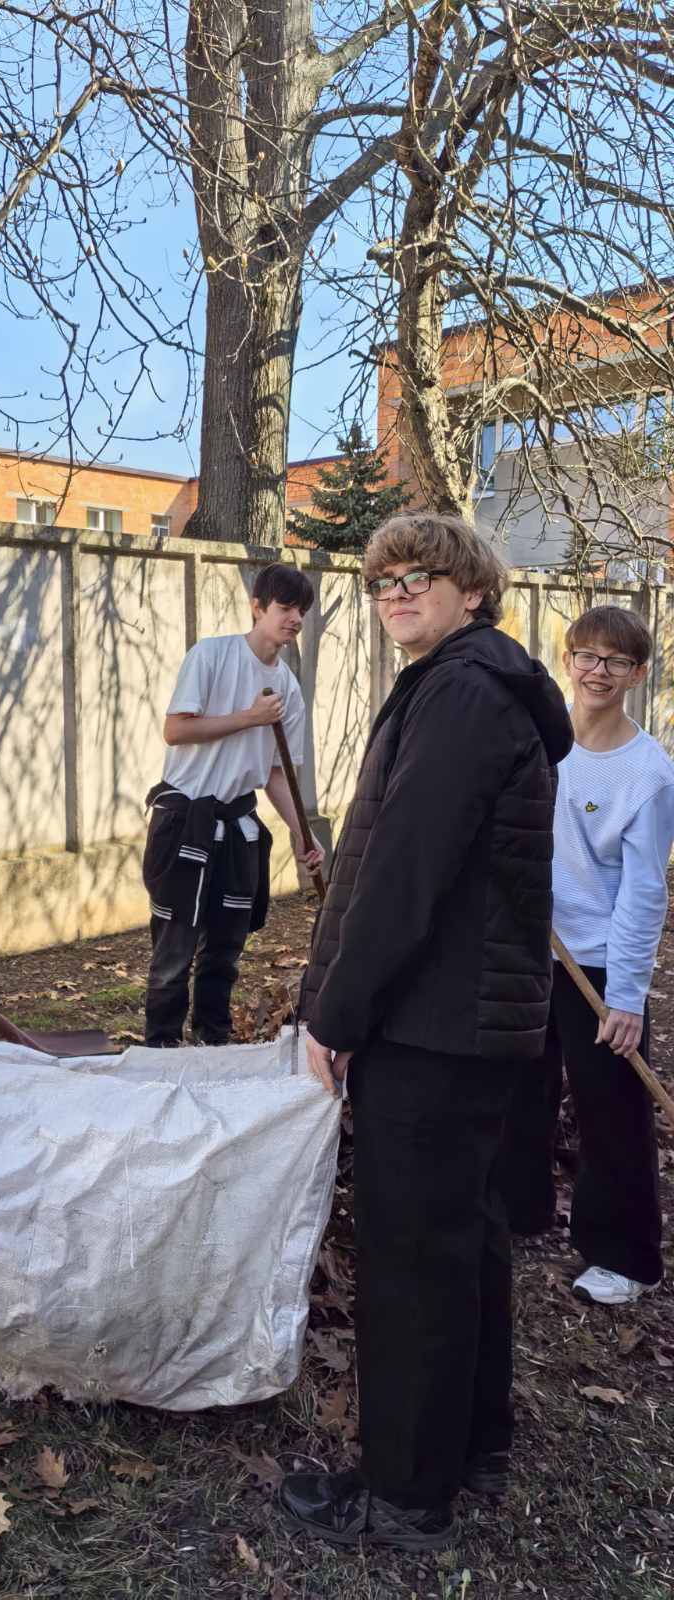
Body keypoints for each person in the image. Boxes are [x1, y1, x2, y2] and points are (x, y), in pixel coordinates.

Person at [286, 513, 572, 1549]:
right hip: (463, 1022)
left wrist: (335, 1013)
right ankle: (474, 1445)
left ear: (473, 591)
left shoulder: (462, 693)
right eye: (382, 580)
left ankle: (405, 1493)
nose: (396, 591)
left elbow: (401, 875)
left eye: (420, 575)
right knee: (464, 1241)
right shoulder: (469, 685)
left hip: (435, 1025)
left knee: (413, 1258)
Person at [502, 605, 674, 1305]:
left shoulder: (647, 773)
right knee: (520, 1080)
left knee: (612, 1106)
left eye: (616, 661)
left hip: (597, 960)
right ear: (567, 659)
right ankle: (518, 1208)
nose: (598, 671)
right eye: (587, 656)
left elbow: (644, 892)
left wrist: (627, 995)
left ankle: (626, 1257)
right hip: (527, 942)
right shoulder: (537, 742)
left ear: (636, 674)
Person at [142, 561, 325, 1047]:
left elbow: (275, 774)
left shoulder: (287, 689)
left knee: (225, 950)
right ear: (257, 607)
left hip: (238, 824)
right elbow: (176, 729)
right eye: (285, 607)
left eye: (301, 611)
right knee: (175, 949)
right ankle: (161, 1048)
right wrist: (248, 717)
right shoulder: (212, 655)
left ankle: (213, 1044)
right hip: (186, 820)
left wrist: (302, 833)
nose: (294, 619)